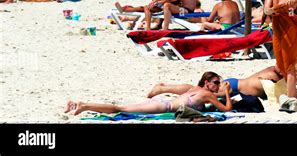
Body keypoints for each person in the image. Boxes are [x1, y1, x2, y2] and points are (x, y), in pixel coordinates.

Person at [64, 72, 233, 115]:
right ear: (207, 83)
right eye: (216, 83)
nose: (218, 86)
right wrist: (226, 93)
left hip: (163, 101)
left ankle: (73, 104)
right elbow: (226, 109)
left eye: (220, 83)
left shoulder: (196, 89)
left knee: (122, 107)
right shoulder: (208, 95)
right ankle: (84, 105)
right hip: (163, 106)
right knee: (119, 109)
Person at [148, 66, 284, 99]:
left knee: (199, 89)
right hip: (233, 87)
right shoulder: (273, 76)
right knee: (199, 90)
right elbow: (284, 94)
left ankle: (164, 87)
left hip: (235, 84)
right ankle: (162, 89)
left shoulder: (270, 70)